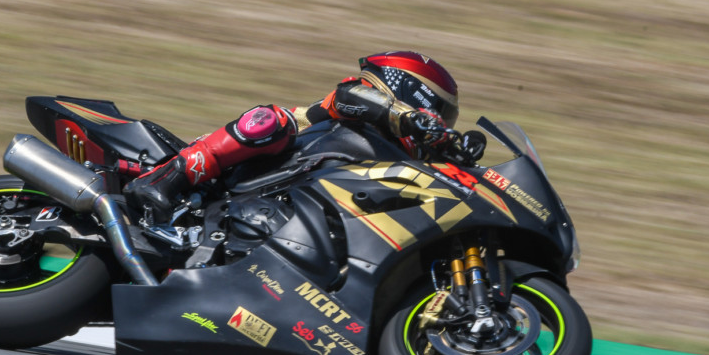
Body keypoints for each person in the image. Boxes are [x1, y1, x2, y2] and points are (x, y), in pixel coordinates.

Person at [124, 51, 469, 224]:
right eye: (437, 111)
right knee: (272, 121)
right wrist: (407, 118)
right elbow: (347, 98)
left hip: (306, 210)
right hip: (250, 172)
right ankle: (167, 177)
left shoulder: (399, 159)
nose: (437, 121)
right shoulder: (355, 101)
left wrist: (458, 154)